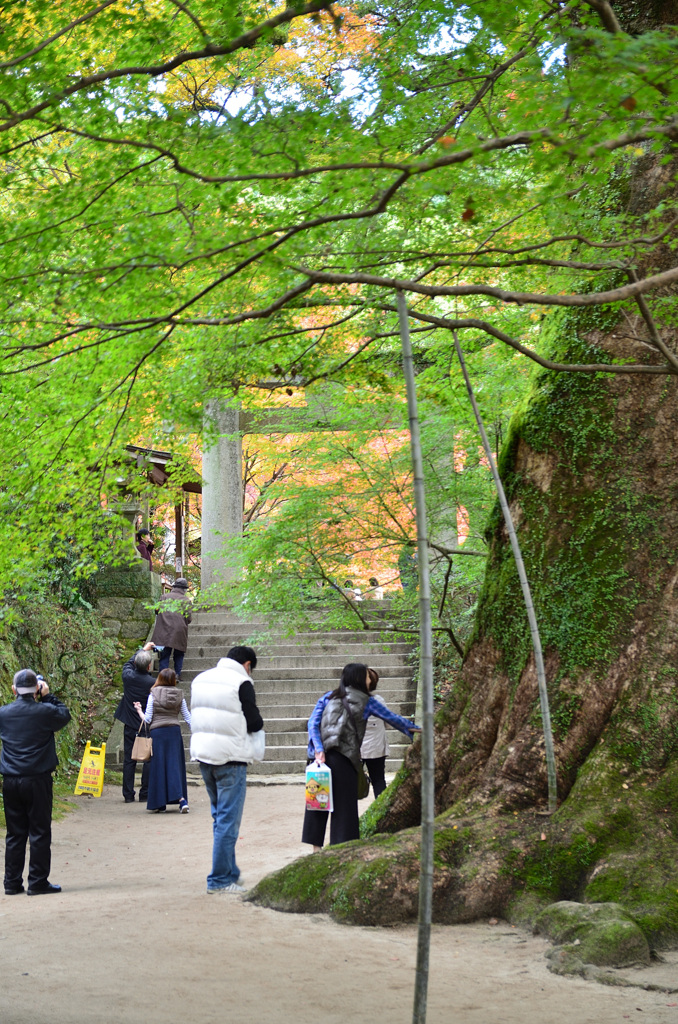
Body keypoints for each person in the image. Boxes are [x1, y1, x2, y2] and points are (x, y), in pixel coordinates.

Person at [302, 663, 420, 851]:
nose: (369, 679)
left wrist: (318, 750)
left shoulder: (327, 697)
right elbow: (392, 718)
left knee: (318, 804)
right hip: (344, 760)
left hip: (318, 761)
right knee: (344, 808)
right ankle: (341, 850)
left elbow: (312, 724)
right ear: (358, 678)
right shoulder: (367, 701)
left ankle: (316, 851)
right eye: (366, 676)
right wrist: (415, 729)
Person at [190, 646, 265, 894]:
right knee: (228, 822)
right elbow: (254, 721)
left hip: (204, 756)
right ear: (247, 664)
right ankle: (220, 880)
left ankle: (230, 872)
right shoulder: (241, 682)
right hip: (231, 758)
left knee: (219, 818)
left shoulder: (201, 679)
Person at [0, 669, 71, 895]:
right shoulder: (45, 711)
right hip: (38, 778)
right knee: (39, 831)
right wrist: (47, 695)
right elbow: (64, 714)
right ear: (37, 689)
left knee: (15, 832)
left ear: (13, 690)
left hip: (11, 779)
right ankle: (37, 881)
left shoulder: (3, 713)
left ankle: (11, 883)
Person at [134, 667, 191, 813]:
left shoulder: (153, 694)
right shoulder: (180, 695)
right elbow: (188, 717)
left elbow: (147, 719)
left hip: (158, 733)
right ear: (173, 680)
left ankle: (160, 802)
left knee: (158, 767)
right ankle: (181, 799)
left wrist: (139, 710)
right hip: (174, 732)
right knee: (174, 766)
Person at [114, 642, 155, 803]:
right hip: (145, 721)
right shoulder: (152, 683)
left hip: (129, 721)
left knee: (129, 759)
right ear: (149, 666)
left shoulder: (128, 676)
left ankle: (128, 794)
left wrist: (143, 649)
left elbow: (128, 663)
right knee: (148, 758)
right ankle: (145, 793)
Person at [151, 577, 192, 680]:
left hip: (163, 630)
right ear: (184, 589)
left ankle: (163, 677)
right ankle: (177, 675)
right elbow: (189, 618)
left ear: (174, 587)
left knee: (164, 655)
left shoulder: (164, 597)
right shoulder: (186, 600)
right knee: (179, 654)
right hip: (179, 631)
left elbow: (156, 611)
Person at [360, 668, 389, 797]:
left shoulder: (349, 701)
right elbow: (388, 721)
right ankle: (382, 812)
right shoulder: (379, 701)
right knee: (378, 781)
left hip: (355, 749)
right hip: (376, 748)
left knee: (350, 782)